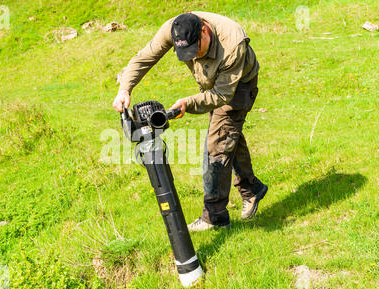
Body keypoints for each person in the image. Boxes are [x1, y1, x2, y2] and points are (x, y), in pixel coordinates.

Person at [112, 12, 268, 232]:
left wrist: (188, 103)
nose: (193, 57)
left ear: (204, 31)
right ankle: (252, 189)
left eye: (196, 50)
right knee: (227, 136)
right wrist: (124, 89)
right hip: (212, 85)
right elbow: (145, 57)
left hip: (238, 86)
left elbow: (221, 96)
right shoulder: (175, 28)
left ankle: (215, 217)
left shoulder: (232, 44)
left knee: (217, 145)